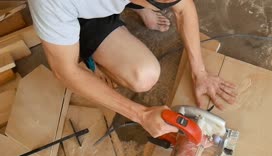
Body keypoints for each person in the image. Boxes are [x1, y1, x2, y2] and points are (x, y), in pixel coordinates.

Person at [27, 0, 237, 138]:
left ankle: (138, 7)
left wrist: (199, 73)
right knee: (143, 76)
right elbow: (65, 71)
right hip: (78, 15)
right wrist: (142, 114)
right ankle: (87, 51)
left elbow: (183, 9)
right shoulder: (52, 4)